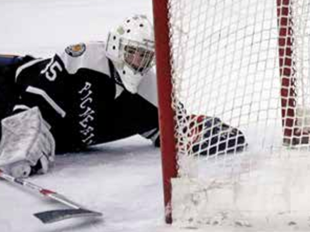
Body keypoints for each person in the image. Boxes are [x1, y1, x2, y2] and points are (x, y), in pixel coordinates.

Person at [0, 14, 245, 178]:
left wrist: (201, 132)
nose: (138, 62)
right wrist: (18, 147)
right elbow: (31, 101)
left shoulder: (149, 92)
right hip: (7, 81)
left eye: (145, 57)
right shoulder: (84, 58)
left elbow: (174, 128)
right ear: (116, 45)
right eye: (133, 53)